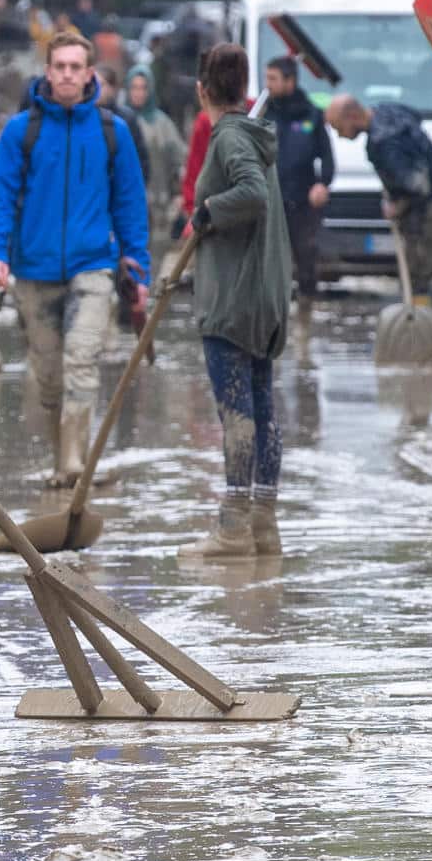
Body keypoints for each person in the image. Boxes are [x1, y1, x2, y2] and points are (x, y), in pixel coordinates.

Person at [0, 29, 151, 485]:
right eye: (60, 67)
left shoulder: (114, 131)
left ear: (90, 73)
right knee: (50, 378)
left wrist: (139, 265)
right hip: (33, 270)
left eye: (77, 67)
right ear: (48, 72)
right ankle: (63, 460)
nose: (68, 74)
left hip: (93, 266)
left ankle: (74, 462)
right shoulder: (22, 132)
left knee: (81, 362)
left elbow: (130, 203)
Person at [182, 44, 294, 560]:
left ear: (203, 90)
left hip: (232, 299)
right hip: (264, 295)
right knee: (263, 408)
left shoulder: (229, 136)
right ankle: (262, 526)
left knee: (238, 413)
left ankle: (232, 528)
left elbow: (251, 195)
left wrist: (205, 212)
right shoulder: (253, 133)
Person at [326, 93, 432, 360]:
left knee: (416, 284)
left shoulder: (383, 142)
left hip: (427, 219)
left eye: (339, 128)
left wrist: (396, 205)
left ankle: (422, 351)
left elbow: (416, 184)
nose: (339, 136)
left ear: (352, 116)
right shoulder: (389, 112)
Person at [259, 56, 336, 364]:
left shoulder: (312, 115)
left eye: (274, 79)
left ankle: (303, 326)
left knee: (306, 259)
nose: (269, 85)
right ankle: (273, 324)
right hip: (269, 202)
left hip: (304, 203)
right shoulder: (263, 114)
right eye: (266, 78)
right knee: (270, 266)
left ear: (290, 81)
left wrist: (323, 184)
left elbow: (328, 160)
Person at [122, 68, 190, 259]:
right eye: (134, 87)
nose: (138, 92)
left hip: (158, 206)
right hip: (126, 205)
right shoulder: (117, 121)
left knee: (154, 258)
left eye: (143, 88)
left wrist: (180, 195)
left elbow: (182, 161)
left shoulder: (162, 124)